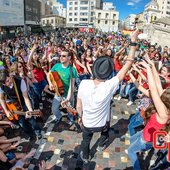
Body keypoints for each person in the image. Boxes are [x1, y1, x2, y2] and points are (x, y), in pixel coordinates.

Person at [76, 30, 139, 163]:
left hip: (86, 123)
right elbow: (128, 63)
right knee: (105, 132)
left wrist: (80, 117)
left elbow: (78, 105)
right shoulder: (109, 86)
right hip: (102, 124)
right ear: (108, 72)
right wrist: (133, 42)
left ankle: (86, 156)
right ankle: (100, 145)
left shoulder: (83, 83)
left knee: (85, 140)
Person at [0, 69, 41, 140]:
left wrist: (30, 111)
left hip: (23, 102)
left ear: (10, 75)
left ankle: (38, 132)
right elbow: (1, 99)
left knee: (31, 120)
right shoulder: (1, 85)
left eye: (7, 81)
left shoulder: (20, 81)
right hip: (13, 106)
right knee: (22, 124)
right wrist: (6, 111)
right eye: (4, 83)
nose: (7, 84)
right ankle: (31, 134)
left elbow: (26, 98)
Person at [47, 49, 78, 125]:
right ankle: (59, 116)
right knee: (54, 109)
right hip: (58, 93)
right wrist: (50, 83)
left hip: (68, 94)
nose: (61, 57)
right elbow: (49, 74)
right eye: (60, 56)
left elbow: (71, 86)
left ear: (69, 57)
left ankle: (71, 119)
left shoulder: (72, 70)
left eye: (64, 56)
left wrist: (67, 99)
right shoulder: (56, 66)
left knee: (70, 110)